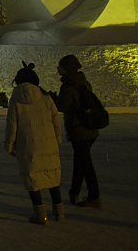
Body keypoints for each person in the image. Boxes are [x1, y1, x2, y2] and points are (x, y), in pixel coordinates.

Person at [4, 61, 63, 224]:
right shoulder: (45, 95)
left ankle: (41, 215)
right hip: (49, 142)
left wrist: (9, 145)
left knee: (33, 180)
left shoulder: (16, 97)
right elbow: (55, 118)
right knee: (52, 179)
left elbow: (12, 124)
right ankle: (59, 214)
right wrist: (58, 138)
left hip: (28, 145)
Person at [53, 54, 101, 208]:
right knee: (80, 162)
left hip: (79, 130)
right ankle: (74, 193)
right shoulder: (84, 82)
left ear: (66, 68)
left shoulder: (68, 85)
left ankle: (94, 196)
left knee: (85, 164)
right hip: (90, 128)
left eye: (59, 66)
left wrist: (52, 99)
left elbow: (63, 106)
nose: (57, 69)